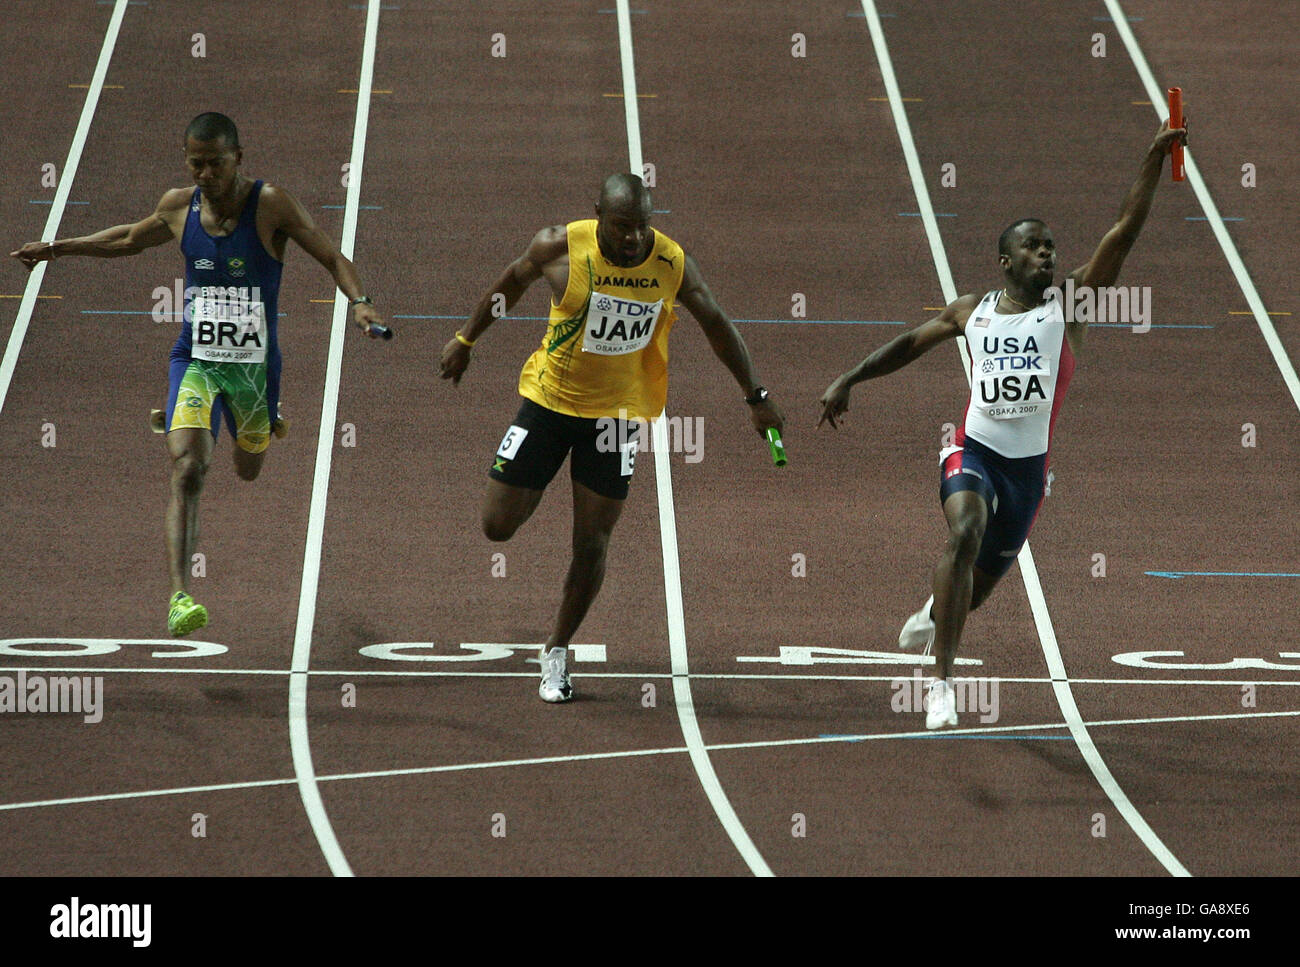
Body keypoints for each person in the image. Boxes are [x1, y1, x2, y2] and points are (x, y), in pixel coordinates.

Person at [818, 120, 1187, 729]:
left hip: (1026, 478)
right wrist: (849, 380)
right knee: (964, 531)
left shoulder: (1068, 308)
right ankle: (941, 685)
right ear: (1005, 260)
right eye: (1035, 246)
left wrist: (1151, 158)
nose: (1047, 253)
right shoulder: (973, 311)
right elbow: (910, 343)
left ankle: (937, 614)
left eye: (1051, 246)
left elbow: (1122, 234)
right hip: (975, 455)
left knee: (975, 591)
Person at [11, 112, 388, 636]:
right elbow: (126, 239)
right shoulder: (177, 205)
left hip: (255, 370)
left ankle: (263, 425)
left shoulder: (270, 204)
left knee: (249, 466)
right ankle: (178, 596)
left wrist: (361, 303)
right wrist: (56, 248)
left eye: (216, 162)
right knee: (188, 469)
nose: (206, 173)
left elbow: (330, 253)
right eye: (196, 163)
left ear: (239, 157)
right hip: (196, 360)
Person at [439, 172, 784, 702]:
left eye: (642, 227)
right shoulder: (560, 246)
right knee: (498, 525)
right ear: (598, 213)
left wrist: (755, 398)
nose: (633, 239)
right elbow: (511, 281)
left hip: (616, 420)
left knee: (593, 540)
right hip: (550, 403)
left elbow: (716, 324)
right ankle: (536, 487)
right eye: (622, 226)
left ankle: (556, 651)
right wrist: (466, 339)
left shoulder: (669, 263)